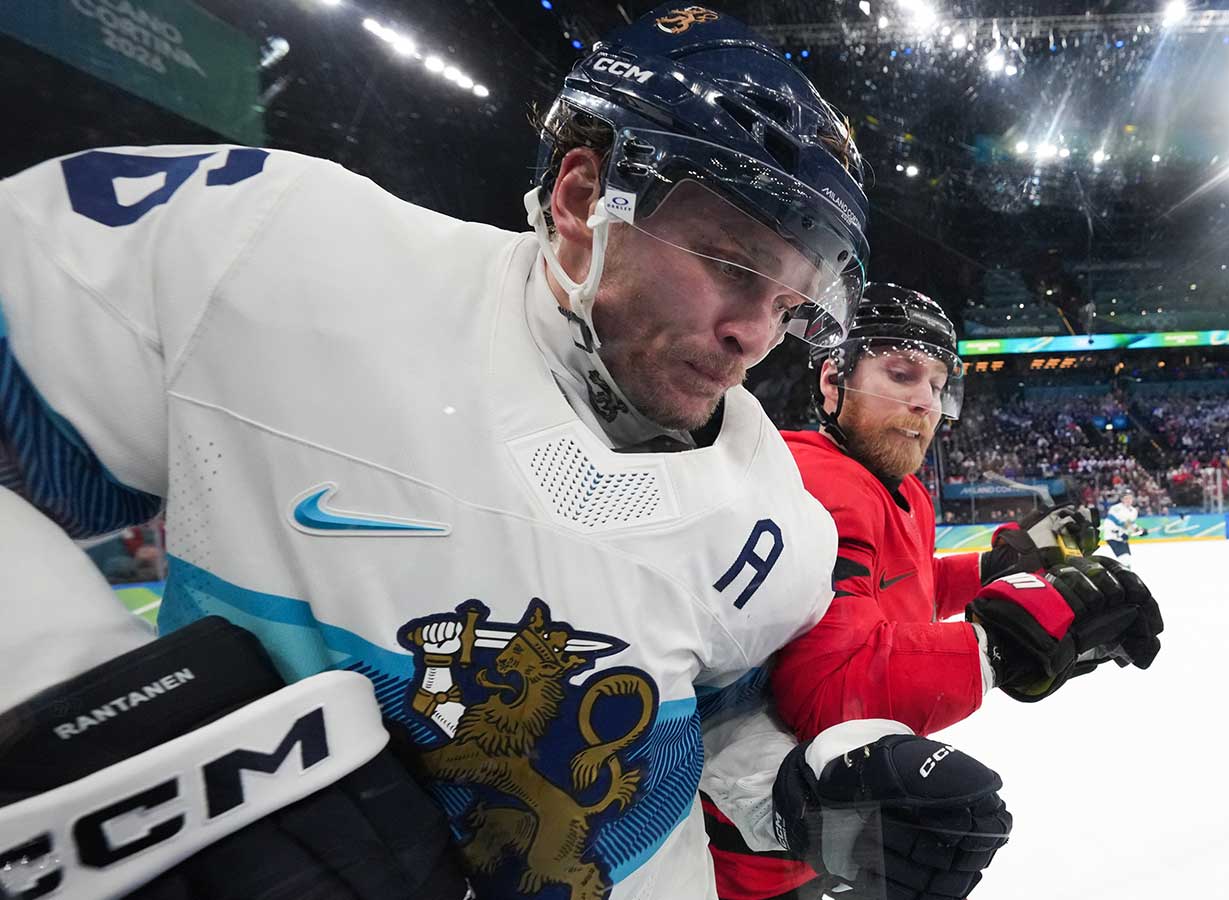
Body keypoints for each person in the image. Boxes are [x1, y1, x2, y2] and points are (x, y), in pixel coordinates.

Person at [0, 7, 1007, 898]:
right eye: (732, 263)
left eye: (788, 302)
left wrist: (809, 793)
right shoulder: (270, 253)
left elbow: (697, 735)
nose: (755, 336)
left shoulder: (772, 518)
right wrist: (91, 714)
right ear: (583, 197)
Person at [701, 284, 1165, 900]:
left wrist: (1000, 566)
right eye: (901, 374)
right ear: (833, 381)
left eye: (940, 385)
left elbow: (910, 585)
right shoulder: (821, 485)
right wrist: (997, 646)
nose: (926, 401)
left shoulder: (897, 487)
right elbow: (830, 695)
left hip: (824, 832)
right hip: (755, 859)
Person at [1101, 490, 1148, 568]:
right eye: (1126, 498)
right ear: (1122, 499)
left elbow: (1130, 525)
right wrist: (1120, 533)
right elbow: (1108, 523)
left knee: (1127, 559)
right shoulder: (1115, 509)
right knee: (1124, 559)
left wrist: (1140, 530)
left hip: (1122, 538)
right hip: (1112, 537)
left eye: (1130, 498)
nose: (1128, 500)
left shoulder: (1133, 511)